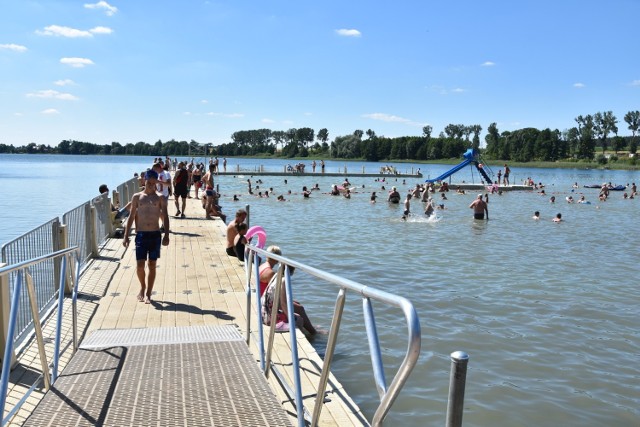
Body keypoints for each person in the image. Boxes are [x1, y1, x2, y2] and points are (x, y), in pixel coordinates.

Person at [123, 169, 170, 304]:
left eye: (153, 182)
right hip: (141, 235)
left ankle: (149, 292)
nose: (151, 184)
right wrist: (126, 236)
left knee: (152, 264)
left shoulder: (160, 197)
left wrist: (166, 234)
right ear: (145, 181)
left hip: (155, 235)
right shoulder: (137, 197)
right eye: (149, 182)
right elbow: (131, 217)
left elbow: (165, 217)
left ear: (156, 182)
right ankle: (142, 287)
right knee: (139, 265)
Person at [261, 266, 317, 335]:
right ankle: (313, 333)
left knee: (297, 306)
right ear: (291, 272)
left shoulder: (276, 276)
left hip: (264, 313)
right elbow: (283, 304)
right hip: (270, 318)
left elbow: (277, 297)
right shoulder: (284, 280)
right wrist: (291, 318)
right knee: (299, 318)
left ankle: (310, 328)